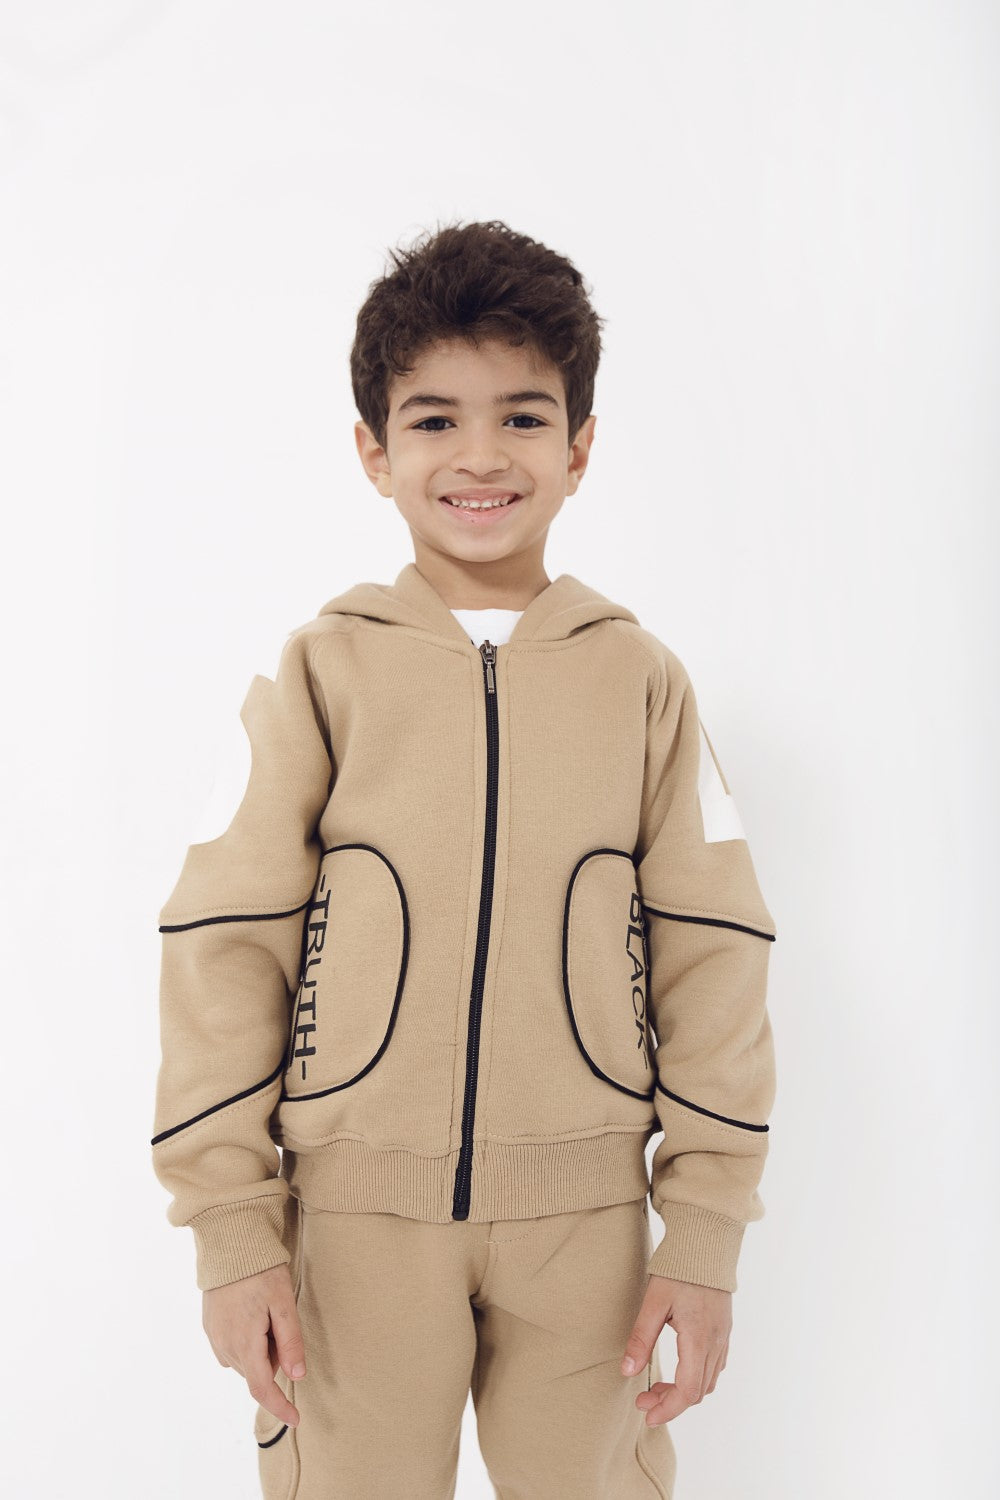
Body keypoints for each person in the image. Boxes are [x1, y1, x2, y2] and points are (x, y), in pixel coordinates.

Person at [151, 218, 778, 1499]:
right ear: (374, 452)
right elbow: (225, 944)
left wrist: (704, 1232)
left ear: (579, 447)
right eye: (434, 419)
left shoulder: (639, 682)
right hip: (353, 1229)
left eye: (522, 417)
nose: (480, 455)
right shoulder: (320, 673)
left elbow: (714, 953)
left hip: (587, 1229)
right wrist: (231, 1228)